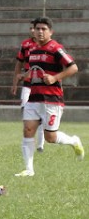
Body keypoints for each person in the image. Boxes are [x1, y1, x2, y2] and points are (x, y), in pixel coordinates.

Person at [14, 17, 85, 177]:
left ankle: (73, 140)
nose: (39, 31)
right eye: (37, 28)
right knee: (28, 130)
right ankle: (29, 169)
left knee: (50, 137)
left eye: (43, 29)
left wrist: (54, 77)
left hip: (52, 99)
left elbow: (73, 67)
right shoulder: (32, 51)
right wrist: (23, 75)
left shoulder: (56, 48)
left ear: (50, 32)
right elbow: (34, 70)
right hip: (34, 97)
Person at [11, 20, 45, 152]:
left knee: (43, 115)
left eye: (34, 28)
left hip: (42, 84)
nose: (33, 31)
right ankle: (29, 136)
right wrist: (15, 83)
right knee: (26, 108)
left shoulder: (46, 45)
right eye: (31, 28)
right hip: (27, 82)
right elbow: (19, 64)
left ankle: (40, 145)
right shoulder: (25, 45)